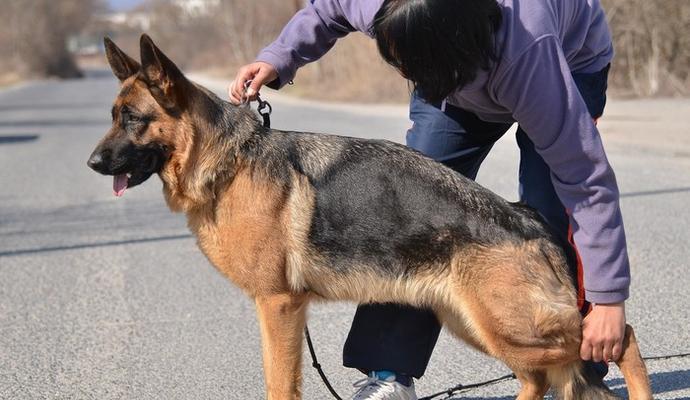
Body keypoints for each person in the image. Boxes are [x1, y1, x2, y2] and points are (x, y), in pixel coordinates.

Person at [228, 0, 630, 399]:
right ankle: (390, 375)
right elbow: (326, 9)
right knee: (407, 211)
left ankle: (579, 371)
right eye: (400, 63)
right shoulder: (384, 8)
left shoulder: (530, 52)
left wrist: (608, 300)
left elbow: (585, 181)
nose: (403, 74)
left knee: (547, 213)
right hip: (447, 72)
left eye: (410, 66)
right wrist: (279, 58)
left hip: (564, 66)